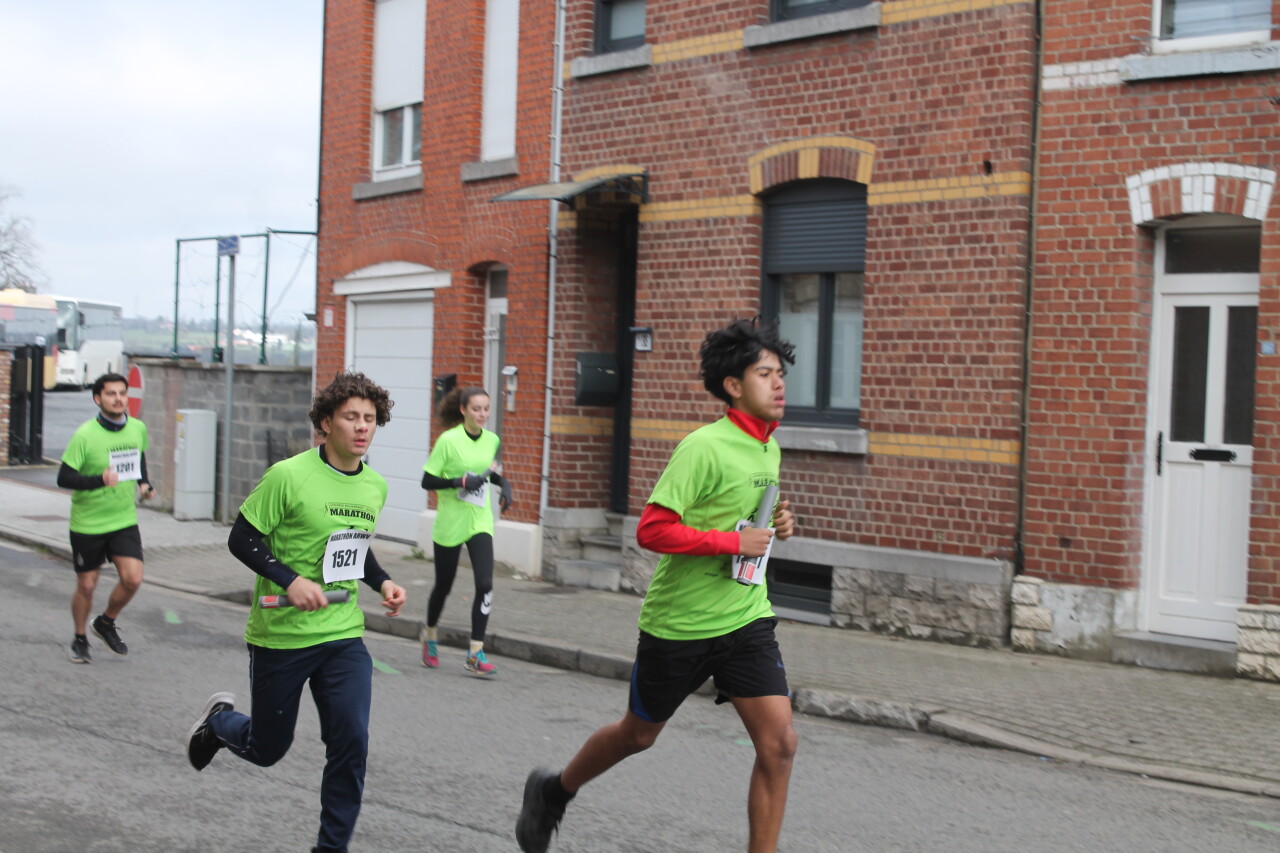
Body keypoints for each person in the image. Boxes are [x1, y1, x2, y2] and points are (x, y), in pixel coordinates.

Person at [516, 318, 799, 853]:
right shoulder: (703, 447)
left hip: (745, 616)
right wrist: (730, 542)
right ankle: (554, 791)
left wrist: (780, 519)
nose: (778, 383)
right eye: (765, 374)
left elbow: (750, 511)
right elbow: (651, 530)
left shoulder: (769, 447)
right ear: (734, 386)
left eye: (780, 373)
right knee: (638, 735)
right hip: (680, 625)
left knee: (780, 743)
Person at [184, 371, 408, 853]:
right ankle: (219, 723)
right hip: (281, 635)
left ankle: (330, 848)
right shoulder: (288, 476)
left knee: (351, 741)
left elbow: (353, 547)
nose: (362, 427)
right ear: (326, 423)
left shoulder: (374, 486)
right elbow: (241, 538)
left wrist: (383, 581)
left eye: (370, 418)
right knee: (267, 749)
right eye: (351, 417)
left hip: (341, 633)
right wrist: (290, 579)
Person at [58, 372, 155, 664]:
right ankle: (79, 638)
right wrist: (99, 480)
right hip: (88, 523)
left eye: (122, 393)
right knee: (87, 585)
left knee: (133, 579)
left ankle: (105, 622)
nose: (118, 399)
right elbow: (64, 477)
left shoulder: (137, 428)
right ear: (97, 399)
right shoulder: (85, 435)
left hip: (123, 520)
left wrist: (144, 484)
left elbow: (138, 459)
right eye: (111, 394)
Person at [419, 385, 513, 675]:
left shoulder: (492, 440)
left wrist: (504, 484)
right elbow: (427, 481)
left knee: (485, 584)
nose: (482, 414)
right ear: (463, 410)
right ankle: (429, 634)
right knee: (443, 586)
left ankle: (475, 652)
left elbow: (488, 472)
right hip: (451, 522)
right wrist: (458, 482)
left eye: (486, 409)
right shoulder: (448, 441)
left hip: (479, 521)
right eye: (476, 409)